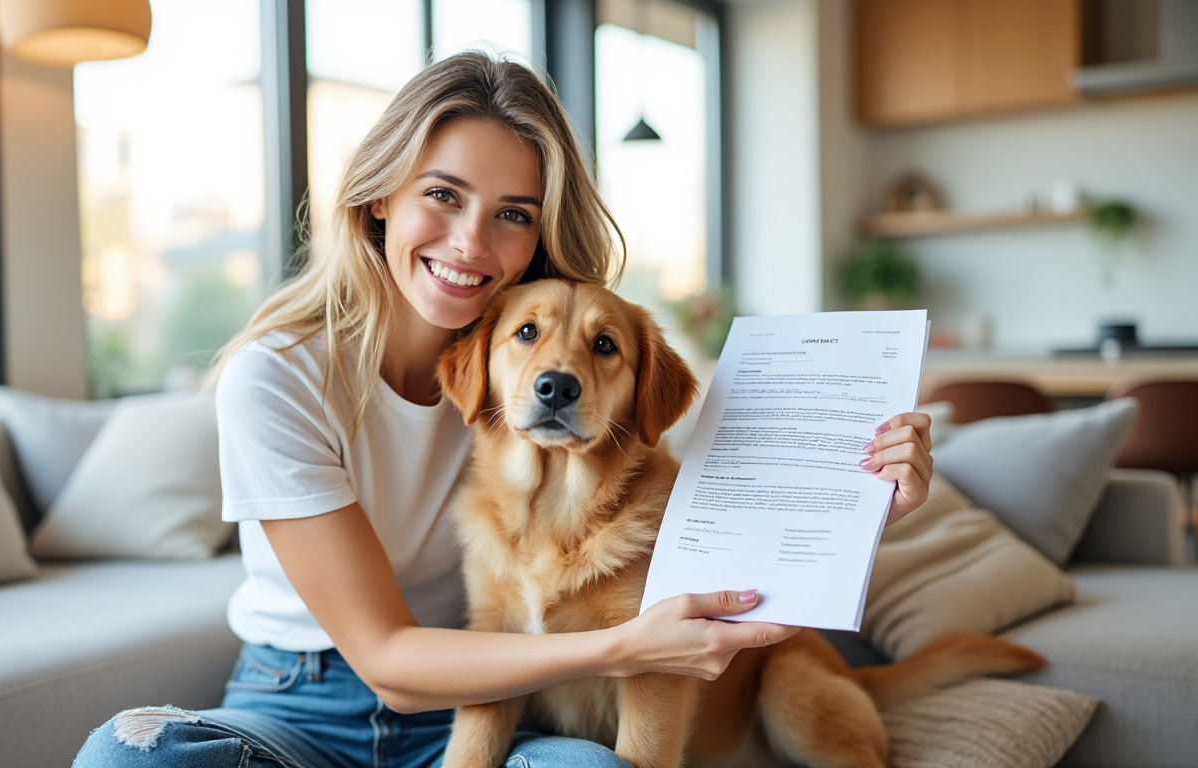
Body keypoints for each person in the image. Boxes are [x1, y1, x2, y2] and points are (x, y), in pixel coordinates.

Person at [74, 51, 933, 768]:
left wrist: (858, 497)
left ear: (536, 235)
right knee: (127, 755)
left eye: (511, 215)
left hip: (507, 699)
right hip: (302, 704)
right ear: (381, 198)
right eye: (442, 195)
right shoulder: (278, 378)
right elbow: (390, 664)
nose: (470, 244)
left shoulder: (555, 371)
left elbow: (726, 502)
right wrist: (625, 646)